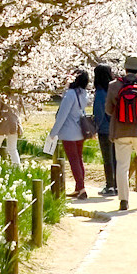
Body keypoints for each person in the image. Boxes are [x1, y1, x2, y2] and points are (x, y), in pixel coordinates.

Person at [105, 56, 137, 211]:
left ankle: (123, 200)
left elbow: (108, 110)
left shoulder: (114, 85)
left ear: (125, 68)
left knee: (122, 166)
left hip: (121, 131)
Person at [48, 69, 90, 199]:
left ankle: (81, 188)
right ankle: (79, 188)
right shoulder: (84, 94)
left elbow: (62, 115)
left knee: (73, 160)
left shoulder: (70, 94)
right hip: (80, 131)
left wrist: (53, 133)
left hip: (69, 133)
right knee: (78, 159)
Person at [92, 64, 117, 196]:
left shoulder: (100, 92)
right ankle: (118, 185)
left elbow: (99, 113)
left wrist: (95, 127)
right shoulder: (114, 90)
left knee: (107, 159)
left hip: (104, 130)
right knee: (116, 158)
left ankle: (110, 186)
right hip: (117, 129)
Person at [0, 96, 22, 166]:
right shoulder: (17, 94)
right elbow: (20, 109)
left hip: (2, 124)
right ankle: (17, 167)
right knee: (13, 149)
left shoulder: (0, 95)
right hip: (14, 124)